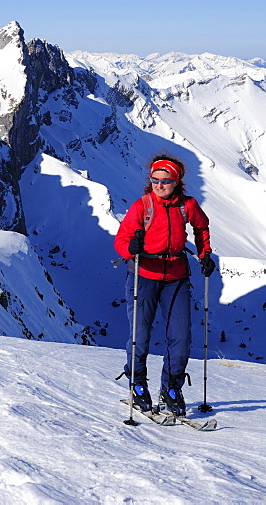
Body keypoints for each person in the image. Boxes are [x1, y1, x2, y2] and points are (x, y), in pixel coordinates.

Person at [114, 154, 214, 416]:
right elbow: (121, 239)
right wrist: (130, 249)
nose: (159, 185)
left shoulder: (187, 206)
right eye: (155, 180)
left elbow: (201, 228)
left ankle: (171, 387)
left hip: (176, 278)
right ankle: (137, 384)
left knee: (180, 337)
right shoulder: (142, 206)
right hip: (144, 275)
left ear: (176, 182)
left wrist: (205, 254)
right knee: (140, 335)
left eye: (165, 181)